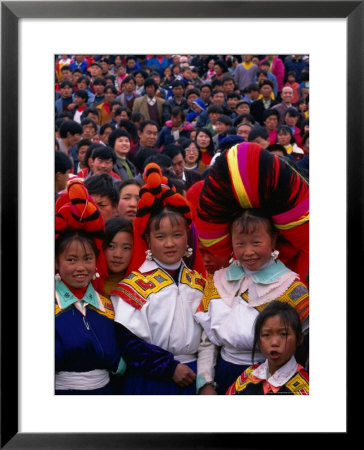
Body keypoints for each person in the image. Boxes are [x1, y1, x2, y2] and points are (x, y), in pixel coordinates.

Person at [109, 163, 217, 395]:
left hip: (193, 378)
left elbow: (209, 339)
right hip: (151, 380)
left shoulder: (200, 284)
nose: (170, 244)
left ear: (187, 237)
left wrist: (205, 380)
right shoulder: (134, 287)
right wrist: (169, 367)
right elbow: (128, 342)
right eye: (160, 236)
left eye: (177, 235)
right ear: (148, 239)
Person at [194, 208, 309, 394]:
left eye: (256, 242)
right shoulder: (218, 281)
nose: (248, 252)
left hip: (271, 380)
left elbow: (303, 346)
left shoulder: (291, 287)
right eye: (240, 243)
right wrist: (205, 382)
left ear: (273, 239)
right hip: (223, 373)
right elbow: (207, 341)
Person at [55, 178, 125, 394]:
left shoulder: (107, 304)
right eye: (71, 260)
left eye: (87, 258)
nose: (81, 267)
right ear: (56, 262)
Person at [226, 301, 309, 395]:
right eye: (266, 335)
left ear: (299, 339)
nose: (274, 342)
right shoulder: (248, 375)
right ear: (258, 341)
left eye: (283, 334)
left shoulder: (304, 389)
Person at [102, 217, 134, 298]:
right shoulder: (87, 283)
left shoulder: (138, 287)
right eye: (111, 246)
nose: (118, 255)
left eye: (126, 248)